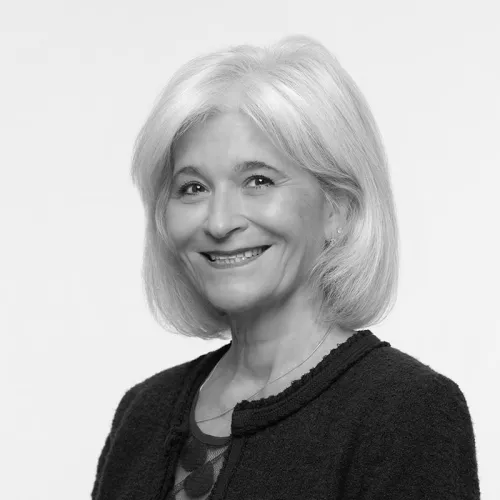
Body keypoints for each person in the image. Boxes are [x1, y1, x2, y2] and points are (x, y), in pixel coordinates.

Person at [91, 35, 480, 500]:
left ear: (337, 209)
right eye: (193, 188)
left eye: (258, 181)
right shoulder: (143, 412)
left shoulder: (405, 413)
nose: (219, 222)